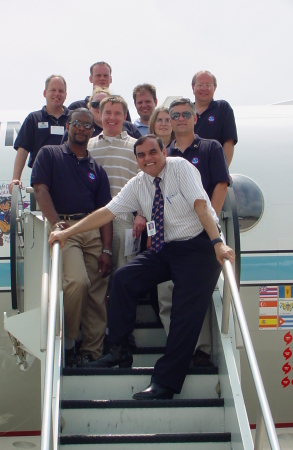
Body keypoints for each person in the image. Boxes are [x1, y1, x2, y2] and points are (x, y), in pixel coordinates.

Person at [48, 134, 235, 400]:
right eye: (141, 155)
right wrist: (68, 233)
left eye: (152, 153)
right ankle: (119, 351)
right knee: (124, 278)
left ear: (163, 152)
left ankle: (166, 383)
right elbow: (106, 213)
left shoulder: (180, 168)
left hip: (200, 246)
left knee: (184, 313)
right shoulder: (138, 184)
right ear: (136, 159)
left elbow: (201, 206)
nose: (147, 159)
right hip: (169, 248)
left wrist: (217, 243)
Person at [31, 108, 113, 366]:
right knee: (77, 283)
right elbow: (40, 189)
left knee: (97, 294)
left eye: (88, 126)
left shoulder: (96, 169)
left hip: (92, 228)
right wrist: (56, 224)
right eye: (77, 123)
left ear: (93, 131)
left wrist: (107, 250)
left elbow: (105, 212)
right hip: (65, 227)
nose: (82, 128)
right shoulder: (50, 154)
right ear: (68, 126)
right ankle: (67, 343)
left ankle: (92, 353)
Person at [158, 97, 230, 366]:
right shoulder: (164, 153)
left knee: (196, 293)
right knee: (166, 293)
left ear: (194, 118)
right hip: (171, 235)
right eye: (174, 115)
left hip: (203, 234)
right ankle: (178, 348)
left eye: (186, 114)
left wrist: (207, 221)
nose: (180, 119)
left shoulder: (210, 148)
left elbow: (221, 185)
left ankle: (200, 349)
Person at [88, 95, 145, 272]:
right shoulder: (88, 147)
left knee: (125, 271)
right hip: (94, 220)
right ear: (99, 114)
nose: (112, 117)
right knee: (97, 275)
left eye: (117, 113)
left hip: (124, 219)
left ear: (125, 116)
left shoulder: (137, 147)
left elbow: (145, 184)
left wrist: (141, 214)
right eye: (108, 113)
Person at [9, 75, 68, 194]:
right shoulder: (33, 118)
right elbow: (23, 149)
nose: (57, 94)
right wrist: (16, 178)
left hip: (68, 177)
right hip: (41, 178)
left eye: (60, 91)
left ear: (65, 95)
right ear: (45, 93)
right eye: (53, 90)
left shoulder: (73, 118)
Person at [192, 70, 237, 167]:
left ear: (214, 88)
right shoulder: (185, 112)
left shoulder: (222, 108)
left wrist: (222, 172)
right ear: (193, 87)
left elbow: (229, 142)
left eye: (208, 85)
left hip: (213, 172)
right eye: (200, 85)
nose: (204, 88)